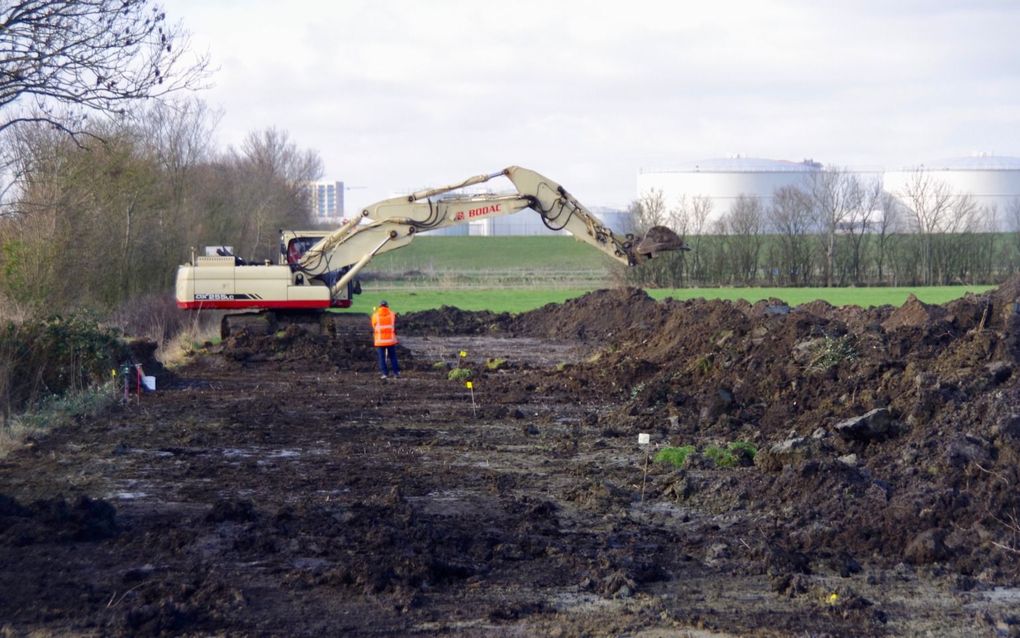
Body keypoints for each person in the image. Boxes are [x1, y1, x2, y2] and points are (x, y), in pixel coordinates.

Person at [371, 300, 400, 379]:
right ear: (387, 306)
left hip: (380, 341)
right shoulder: (392, 314)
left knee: (382, 358)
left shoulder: (375, 315)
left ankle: (384, 374)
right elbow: (395, 323)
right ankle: (396, 373)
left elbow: (374, 326)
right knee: (393, 357)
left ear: (379, 306)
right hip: (391, 340)